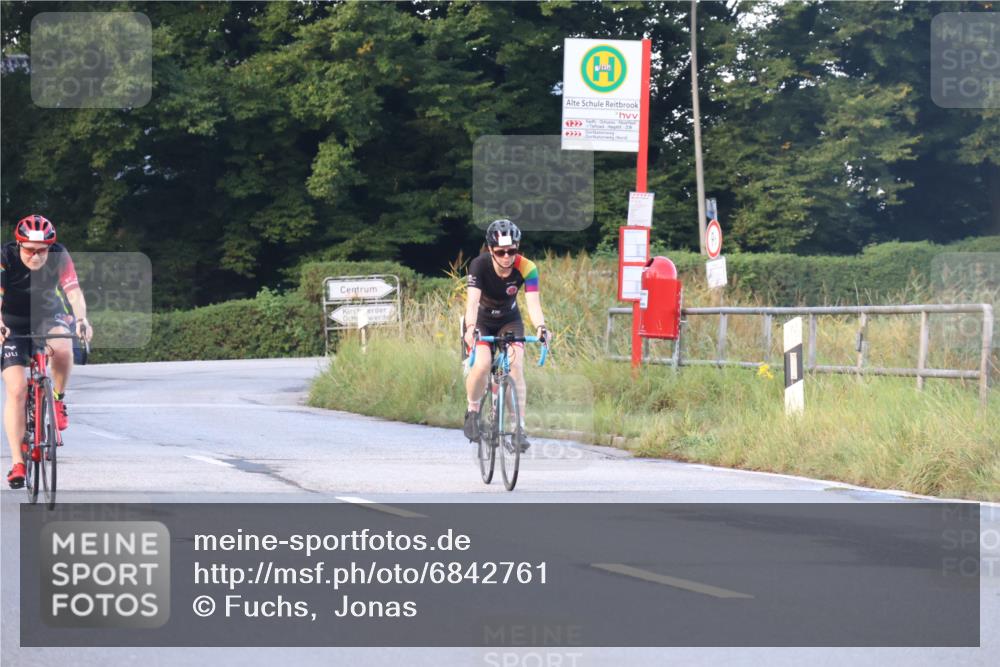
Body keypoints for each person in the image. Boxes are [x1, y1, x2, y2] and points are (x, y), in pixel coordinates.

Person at [1, 215, 92, 489]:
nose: (36, 256)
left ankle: (58, 399)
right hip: (12, 321)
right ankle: (18, 462)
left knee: (63, 348)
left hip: (47, 314)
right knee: (17, 389)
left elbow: (73, 292)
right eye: (29, 250)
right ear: (19, 245)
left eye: (42, 251)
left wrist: (82, 320)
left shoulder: (59, 255)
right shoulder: (5, 256)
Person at [462, 219, 548, 451]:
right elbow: (472, 303)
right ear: (491, 249)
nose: (507, 256)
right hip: (481, 321)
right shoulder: (479, 265)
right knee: (482, 364)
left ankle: (518, 428)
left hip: (509, 319)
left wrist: (541, 327)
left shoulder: (527, 267)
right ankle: (472, 410)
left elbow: (533, 304)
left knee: (516, 367)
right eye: (501, 252)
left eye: (512, 251)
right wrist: (470, 328)